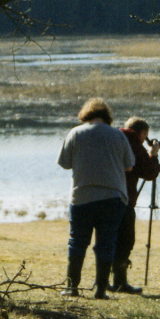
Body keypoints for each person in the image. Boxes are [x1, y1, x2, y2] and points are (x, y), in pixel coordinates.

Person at [57, 98, 135, 299]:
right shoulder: (118, 135)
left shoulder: (75, 133)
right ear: (107, 116)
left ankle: (71, 287)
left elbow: (64, 163)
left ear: (85, 115)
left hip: (82, 196)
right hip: (112, 196)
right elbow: (129, 165)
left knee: (77, 240)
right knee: (107, 242)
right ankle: (100, 289)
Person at [113, 117, 160, 294]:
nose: (144, 139)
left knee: (110, 238)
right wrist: (153, 154)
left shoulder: (115, 137)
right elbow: (148, 172)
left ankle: (105, 281)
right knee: (126, 239)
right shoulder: (133, 141)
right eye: (145, 136)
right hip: (123, 197)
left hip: (106, 196)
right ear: (142, 133)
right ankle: (120, 282)